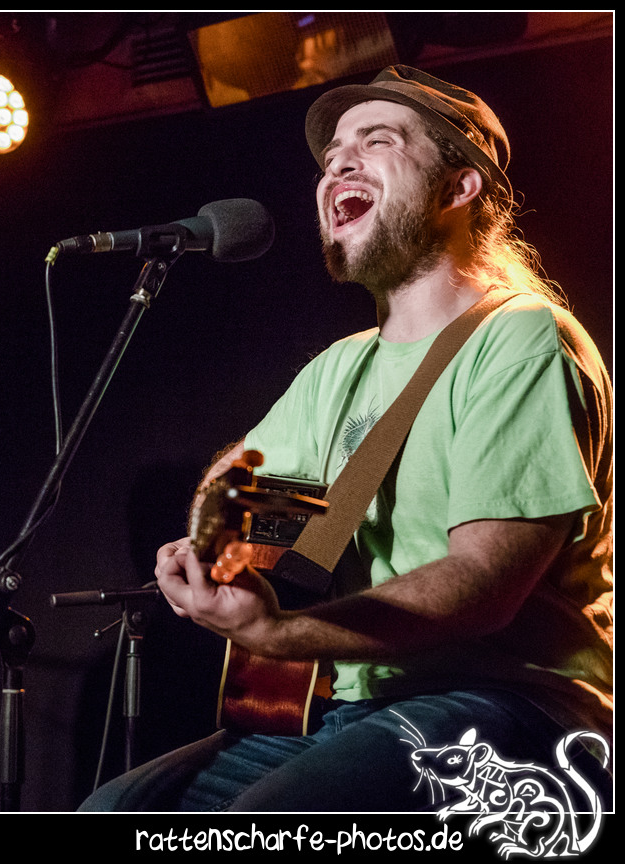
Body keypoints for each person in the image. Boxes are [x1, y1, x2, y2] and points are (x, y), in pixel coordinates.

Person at [81, 66, 612, 812]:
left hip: (510, 703)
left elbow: (485, 584)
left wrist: (282, 631)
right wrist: (216, 544)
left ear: (459, 187)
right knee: (112, 812)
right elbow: (248, 496)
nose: (338, 165)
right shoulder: (341, 366)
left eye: (377, 141)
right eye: (331, 157)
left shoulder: (520, 338)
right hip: (354, 708)